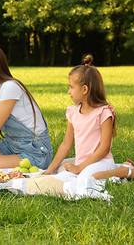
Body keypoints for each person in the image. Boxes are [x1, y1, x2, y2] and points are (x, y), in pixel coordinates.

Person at [43, 54, 117, 186]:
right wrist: (50, 170)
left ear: (84, 89)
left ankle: (123, 171)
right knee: (60, 175)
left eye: (71, 87)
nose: (68, 91)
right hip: (82, 163)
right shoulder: (73, 112)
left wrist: (80, 168)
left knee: (86, 179)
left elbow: (104, 148)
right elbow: (66, 145)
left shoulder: (103, 113)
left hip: (101, 162)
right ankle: (82, 172)